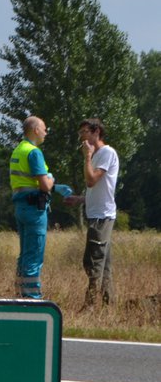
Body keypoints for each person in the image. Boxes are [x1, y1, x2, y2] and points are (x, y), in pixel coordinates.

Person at [9, 115, 72, 300]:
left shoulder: (18, 150)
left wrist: (51, 183)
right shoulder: (34, 152)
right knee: (34, 256)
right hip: (34, 208)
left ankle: (20, 294)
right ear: (35, 130)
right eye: (44, 129)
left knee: (24, 254)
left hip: (21, 206)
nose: (46, 133)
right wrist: (52, 180)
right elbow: (44, 185)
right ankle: (32, 299)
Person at [76, 118, 120, 307]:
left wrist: (87, 157)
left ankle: (90, 306)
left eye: (84, 132)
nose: (81, 136)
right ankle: (109, 304)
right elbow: (95, 187)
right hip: (95, 213)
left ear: (96, 132)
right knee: (103, 262)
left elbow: (92, 179)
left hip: (102, 216)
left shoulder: (106, 153)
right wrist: (80, 199)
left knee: (94, 261)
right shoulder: (96, 155)